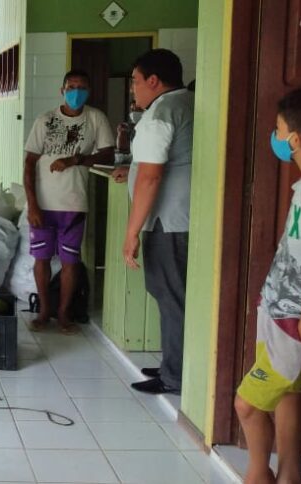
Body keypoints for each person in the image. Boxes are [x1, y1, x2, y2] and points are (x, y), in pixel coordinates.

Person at [234, 86, 301, 484]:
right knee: (288, 394)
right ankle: (288, 476)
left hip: (292, 322)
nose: (276, 137)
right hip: (278, 310)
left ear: (297, 139)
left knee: (246, 405)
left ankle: (258, 475)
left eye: (278, 129)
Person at [122, 49, 194, 395]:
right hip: (184, 217)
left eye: (135, 81)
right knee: (175, 294)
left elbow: (151, 177)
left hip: (167, 221)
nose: (134, 89)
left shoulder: (160, 113)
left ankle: (175, 375)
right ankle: (175, 362)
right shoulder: (189, 103)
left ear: (153, 81)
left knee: (170, 295)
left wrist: (131, 232)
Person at [22, 69, 115, 335]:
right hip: (43, 203)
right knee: (41, 259)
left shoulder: (96, 118)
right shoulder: (45, 120)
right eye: (71, 86)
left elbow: (108, 154)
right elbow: (29, 163)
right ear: (62, 90)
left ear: (89, 91)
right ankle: (43, 311)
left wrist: (75, 160)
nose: (76, 92)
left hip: (74, 203)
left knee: (70, 262)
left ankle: (63, 314)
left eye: (82, 87)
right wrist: (32, 204)